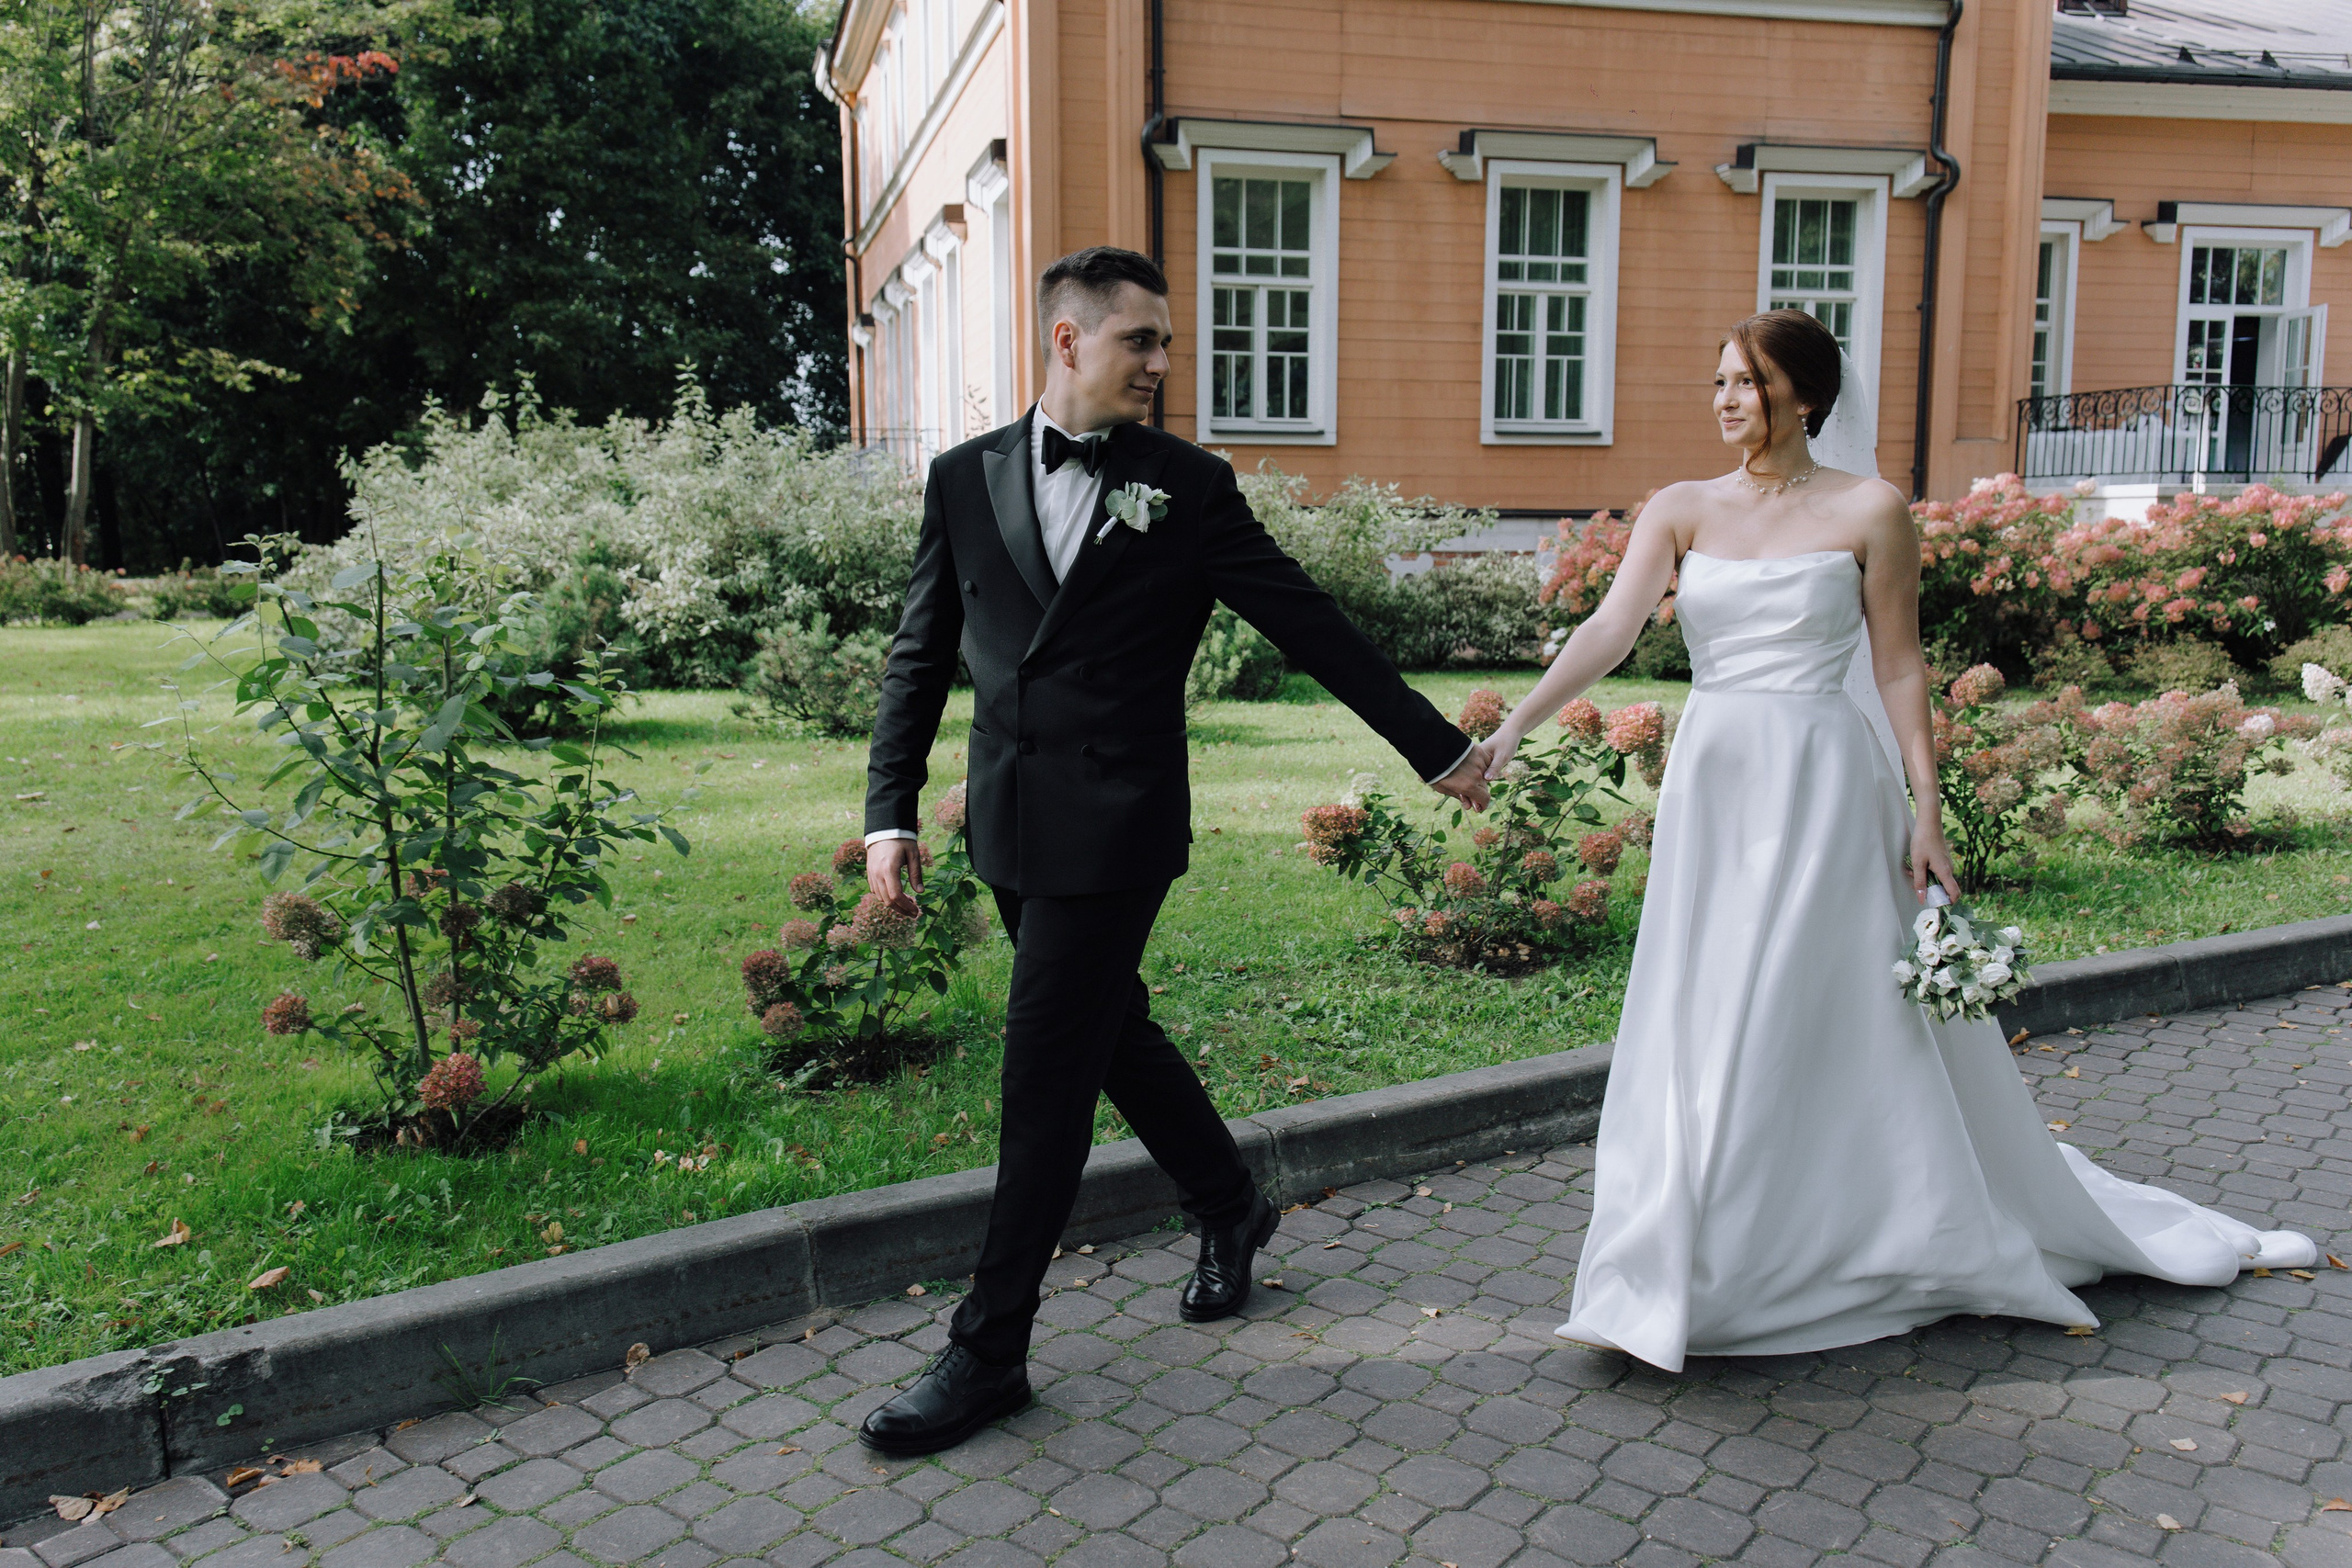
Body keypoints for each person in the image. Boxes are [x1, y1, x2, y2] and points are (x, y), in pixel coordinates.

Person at [1480, 308, 2317, 1373]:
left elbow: (1897, 668)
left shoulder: (1871, 510)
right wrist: (1513, 728)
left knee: (1803, 1000)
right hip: (1719, 782)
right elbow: (1608, 627)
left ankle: (1822, 1243)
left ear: (1805, 396)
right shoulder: (1682, 509)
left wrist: (1925, 807)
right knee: (1709, 1002)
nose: (1727, 399)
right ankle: (1691, 1253)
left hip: (1827, 782)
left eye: (1746, 382)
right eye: (1720, 383)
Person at [856, 245, 1496, 1452]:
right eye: (1139, 339)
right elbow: (919, 652)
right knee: (1113, 1034)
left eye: (1165, 340)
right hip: (1009, 822)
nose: (1162, 361)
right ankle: (1231, 1200)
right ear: (1066, 341)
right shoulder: (960, 478)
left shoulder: (1186, 488)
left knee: (1042, 1074)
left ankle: (989, 1349)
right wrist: (891, 811)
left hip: (1119, 822)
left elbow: (1308, 621)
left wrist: (1433, 744)